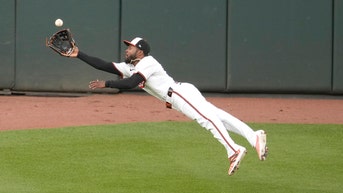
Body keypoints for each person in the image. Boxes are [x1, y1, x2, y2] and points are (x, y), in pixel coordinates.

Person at [68, 37, 268, 175]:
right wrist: (79, 54)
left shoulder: (148, 62)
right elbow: (104, 65)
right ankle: (254, 136)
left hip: (180, 94)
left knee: (208, 119)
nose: (127, 49)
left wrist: (107, 84)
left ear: (141, 50)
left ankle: (233, 149)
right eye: (127, 46)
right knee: (217, 115)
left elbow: (130, 84)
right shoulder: (131, 66)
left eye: (130, 46)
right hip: (180, 96)